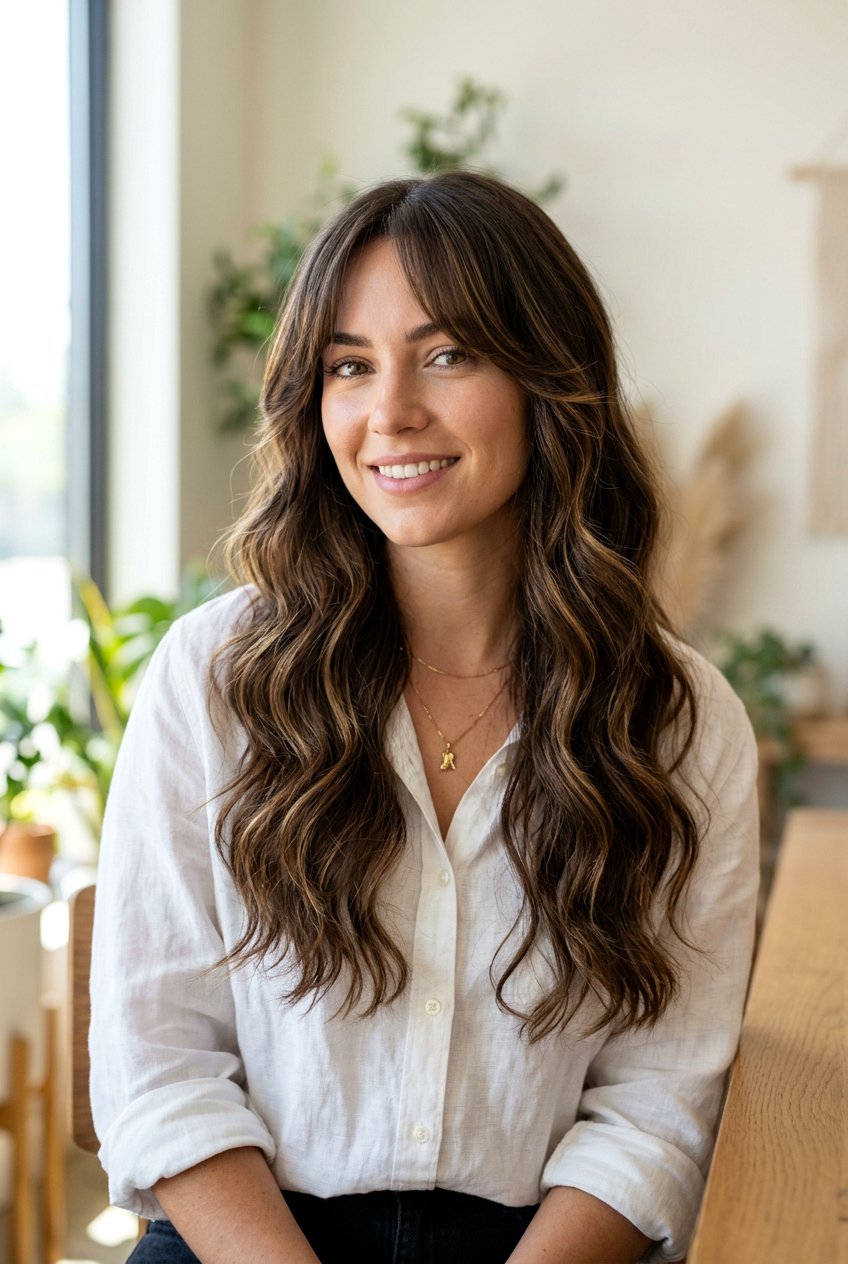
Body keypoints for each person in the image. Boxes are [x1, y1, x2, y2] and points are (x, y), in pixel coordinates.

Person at [89, 171, 759, 1264]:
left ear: (551, 379)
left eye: (447, 355)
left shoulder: (678, 723)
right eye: (348, 366)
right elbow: (158, 1067)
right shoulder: (211, 679)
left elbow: (656, 1102)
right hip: (247, 1241)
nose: (390, 411)